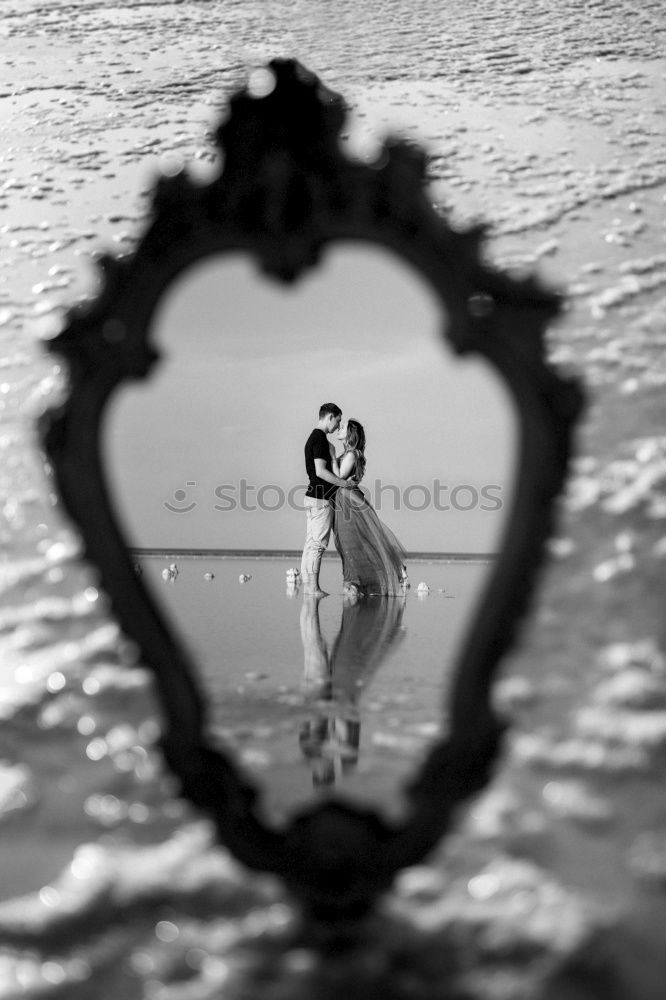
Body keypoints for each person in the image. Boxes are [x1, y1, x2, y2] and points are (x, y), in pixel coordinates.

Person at [331, 418, 407, 596]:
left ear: (350, 434)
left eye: (343, 428)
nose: (339, 428)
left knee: (352, 542)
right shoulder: (350, 453)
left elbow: (340, 476)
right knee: (351, 542)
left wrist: (330, 454)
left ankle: (358, 582)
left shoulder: (351, 454)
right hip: (345, 500)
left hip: (348, 501)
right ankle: (356, 582)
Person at [301, 403, 357, 597]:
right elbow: (321, 472)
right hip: (320, 498)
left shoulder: (315, 438)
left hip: (312, 496)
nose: (337, 426)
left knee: (310, 544)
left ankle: (308, 586)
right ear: (330, 417)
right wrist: (343, 483)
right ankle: (313, 588)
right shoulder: (319, 439)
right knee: (317, 545)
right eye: (338, 420)